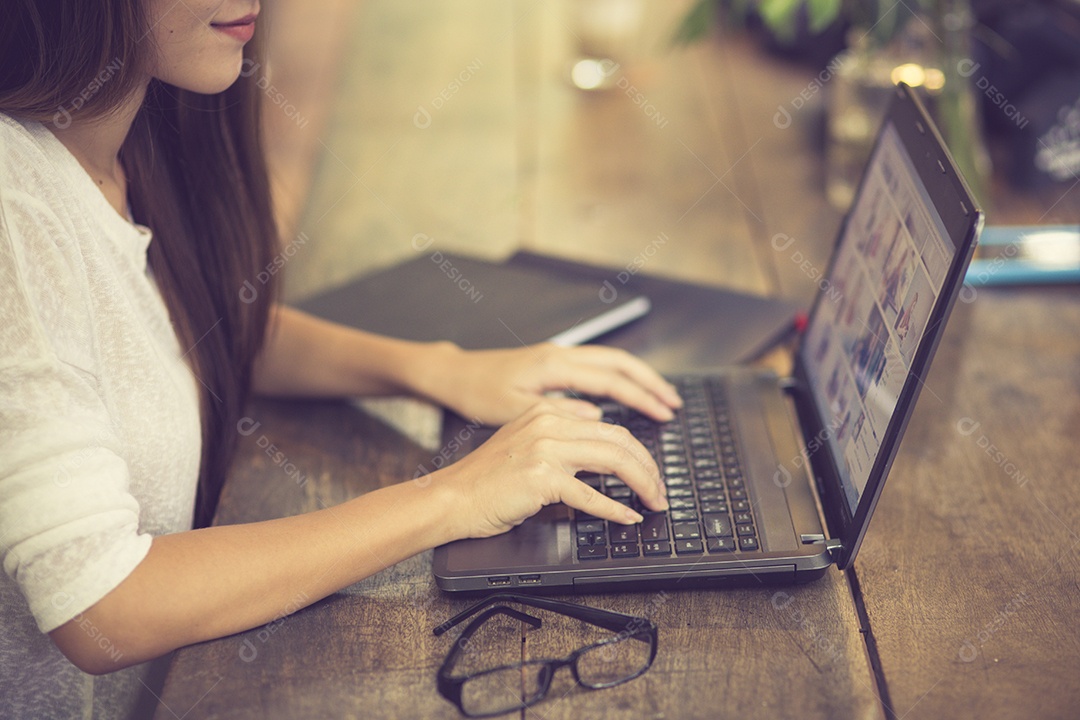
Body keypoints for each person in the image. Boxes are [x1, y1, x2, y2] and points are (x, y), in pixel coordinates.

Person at [0, 2, 680, 717]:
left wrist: (441, 369)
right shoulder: (15, 205)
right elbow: (103, 607)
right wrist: (453, 496)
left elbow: (184, 336)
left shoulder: (129, 138)